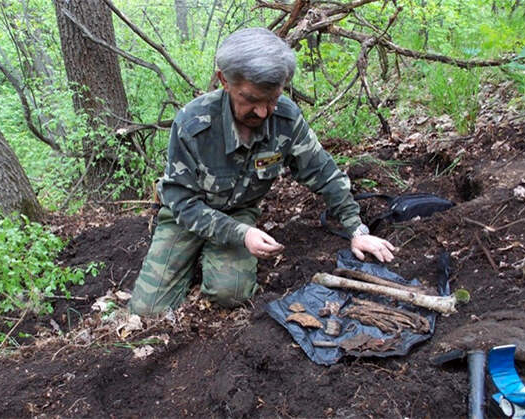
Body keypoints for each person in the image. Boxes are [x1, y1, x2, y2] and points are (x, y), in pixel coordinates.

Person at [130, 27, 395, 316]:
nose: (262, 112)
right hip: (187, 216)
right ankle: (190, 258)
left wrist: (356, 228)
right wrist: (240, 234)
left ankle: (209, 260)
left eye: (272, 99)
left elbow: (323, 171)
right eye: (251, 99)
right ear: (224, 81)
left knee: (230, 293)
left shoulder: (285, 118)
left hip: (239, 212)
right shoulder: (193, 124)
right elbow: (181, 202)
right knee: (148, 311)